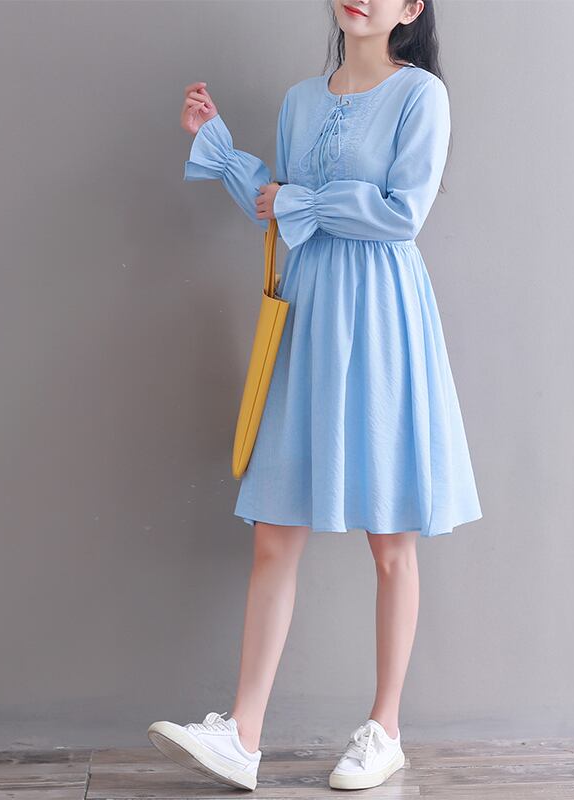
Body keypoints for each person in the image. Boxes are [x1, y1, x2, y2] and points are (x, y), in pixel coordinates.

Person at [148, 0, 482, 791]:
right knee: (275, 532)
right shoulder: (301, 101)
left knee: (391, 539)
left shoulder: (421, 95)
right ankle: (243, 735)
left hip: (384, 317)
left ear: (411, 8)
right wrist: (219, 146)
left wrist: (300, 201)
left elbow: (402, 215)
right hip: (308, 316)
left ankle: (385, 729)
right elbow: (278, 209)